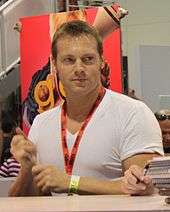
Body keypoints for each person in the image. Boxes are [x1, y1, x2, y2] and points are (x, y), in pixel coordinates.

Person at [9, 20, 163, 196]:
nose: (79, 68)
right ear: (55, 65)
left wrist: (72, 183)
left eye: (88, 59)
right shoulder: (41, 122)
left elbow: (147, 188)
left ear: (101, 62)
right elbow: (25, 202)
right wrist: (27, 168)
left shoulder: (133, 113)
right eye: (69, 60)